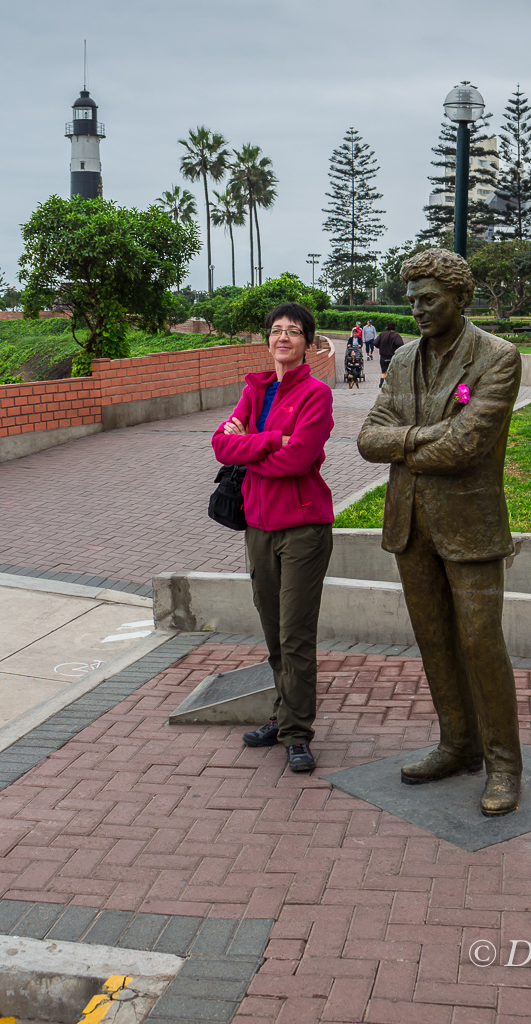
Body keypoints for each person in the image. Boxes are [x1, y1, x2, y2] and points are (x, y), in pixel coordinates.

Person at [357, 249, 523, 816]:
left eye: (429, 300)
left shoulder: (497, 357)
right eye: (412, 300)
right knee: (433, 642)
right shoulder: (402, 359)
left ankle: (504, 764)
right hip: (410, 524)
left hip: (470, 527)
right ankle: (457, 744)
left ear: (460, 298)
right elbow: (368, 438)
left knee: (480, 643)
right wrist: (417, 439)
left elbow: (467, 446)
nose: (418, 310)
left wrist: (405, 443)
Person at [212, 302, 334, 774]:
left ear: (308, 342)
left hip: (303, 529)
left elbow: (298, 460)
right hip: (258, 528)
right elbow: (222, 445)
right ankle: (283, 715)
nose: (283, 338)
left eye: (294, 331)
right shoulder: (254, 389)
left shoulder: (316, 394)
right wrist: (270, 440)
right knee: (272, 632)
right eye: (276, 331)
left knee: (296, 634)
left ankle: (298, 733)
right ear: (267, 340)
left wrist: (253, 444)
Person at [373, 321, 404, 388]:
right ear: (394, 327)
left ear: (387, 327)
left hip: (383, 357)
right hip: (393, 357)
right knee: (394, 373)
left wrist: (380, 346)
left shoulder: (382, 334)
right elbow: (400, 344)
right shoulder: (396, 335)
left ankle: (381, 385)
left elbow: (375, 343)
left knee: (384, 372)